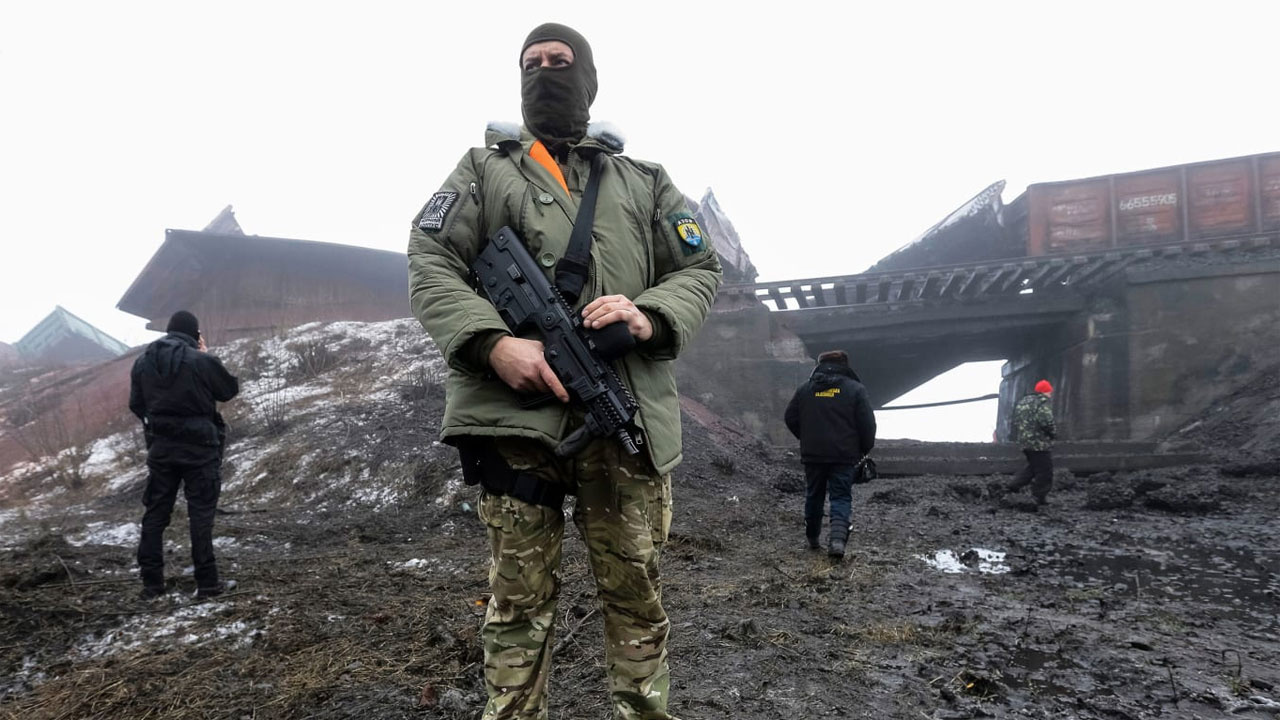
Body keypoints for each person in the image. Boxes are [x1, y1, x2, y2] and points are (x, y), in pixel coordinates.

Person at [406, 23, 721, 720]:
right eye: (532, 62)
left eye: (560, 60)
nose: (545, 71)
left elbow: (700, 267)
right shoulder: (483, 169)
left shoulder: (644, 181)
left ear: (589, 76)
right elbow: (430, 262)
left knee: (636, 598)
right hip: (515, 424)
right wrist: (491, 342)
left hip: (623, 416)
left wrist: (648, 313)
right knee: (518, 606)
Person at [128, 311, 239, 600]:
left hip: (161, 449)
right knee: (200, 516)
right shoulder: (200, 360)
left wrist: (160, 423)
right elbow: (228, 390)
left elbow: (136, 404)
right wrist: (206, 353)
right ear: (194, 335)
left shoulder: (143, 362)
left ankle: (151, 585)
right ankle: (207, 584)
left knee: (155, 515)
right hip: (200, 448)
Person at [783, 350, 876, 560]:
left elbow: (790, 417)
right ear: (844, 364)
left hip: (813, 454)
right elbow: (867, 424)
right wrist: (864, 448)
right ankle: (837, 542)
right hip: (844, 455)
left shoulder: (805, 390)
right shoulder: (855, 389)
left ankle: (812, 538)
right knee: (841, 496)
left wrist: (806, 438)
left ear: (820, 365)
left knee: (814, 494)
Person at [1007, 379, 1056, 505]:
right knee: (1045, 470)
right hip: (1038, 443)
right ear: (1045, 391)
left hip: (1025, 442)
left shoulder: (1023, 403)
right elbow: (1047, 422)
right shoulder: (1041, 404)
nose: (1051, 393)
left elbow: (1016, 421)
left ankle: (1013, 486)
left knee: (1034, 467)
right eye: (1049, 391)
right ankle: (1038, 496)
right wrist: (1053, 434)